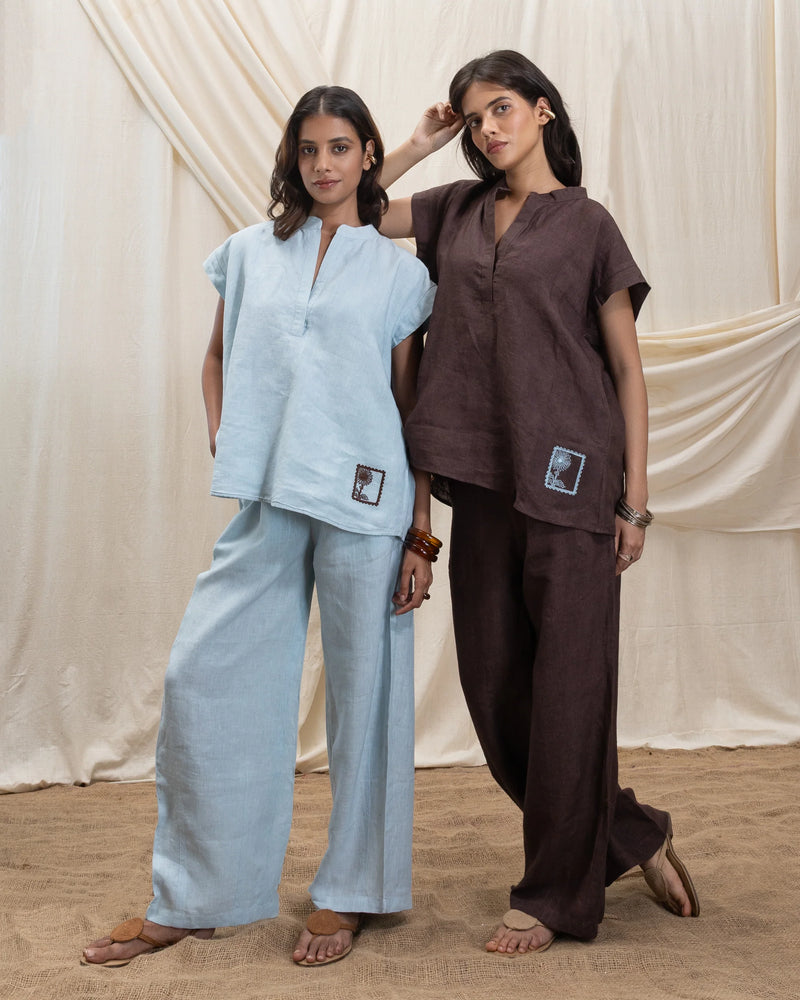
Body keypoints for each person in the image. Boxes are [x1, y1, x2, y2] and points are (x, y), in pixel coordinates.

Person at [81, 85, 437, 969]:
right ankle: (194, 895)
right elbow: (215, 358)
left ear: (367, 154)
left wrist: (420, 534)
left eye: (341, 147)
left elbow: (411, 406)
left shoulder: (400, 275)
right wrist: (226, 432)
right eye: (309, 149)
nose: (323, 164)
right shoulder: (249, 251)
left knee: (368, 702)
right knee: (204, 678)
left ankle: (352, 892)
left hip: (367, 502)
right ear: (293, 158)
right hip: (271, 497)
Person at [379, 50, 699, 954]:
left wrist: (635, 500)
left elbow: (626, 369)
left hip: (575, 482)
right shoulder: (452, 210)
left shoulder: (589, 226)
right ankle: (631, 834)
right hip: (481, 481)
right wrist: (418, 143)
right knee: (495, 694)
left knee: (569, 696)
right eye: (475, 115)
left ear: (543, 110)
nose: (488, 128)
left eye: (503, 108)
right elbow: (353, 209)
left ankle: (555, 894)